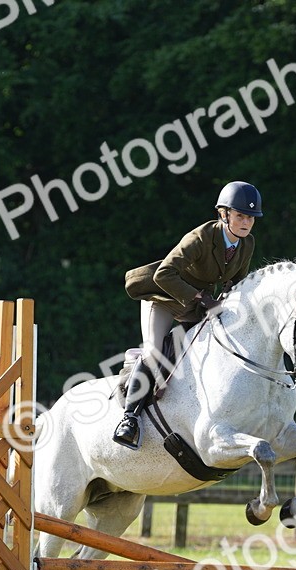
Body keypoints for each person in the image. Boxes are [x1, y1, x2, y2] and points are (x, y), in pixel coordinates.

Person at [113, 180, 263, 449]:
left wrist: (228, 301)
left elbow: (236, 283)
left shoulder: (247, 243)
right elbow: (164, 274)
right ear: (224, 214)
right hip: (163, 297)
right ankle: (129, 419)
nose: (246, 222)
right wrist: (202, 297)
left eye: (251, 218)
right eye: (240, 215)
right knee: (154, 353)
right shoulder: (202, 236)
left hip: (196, 306)